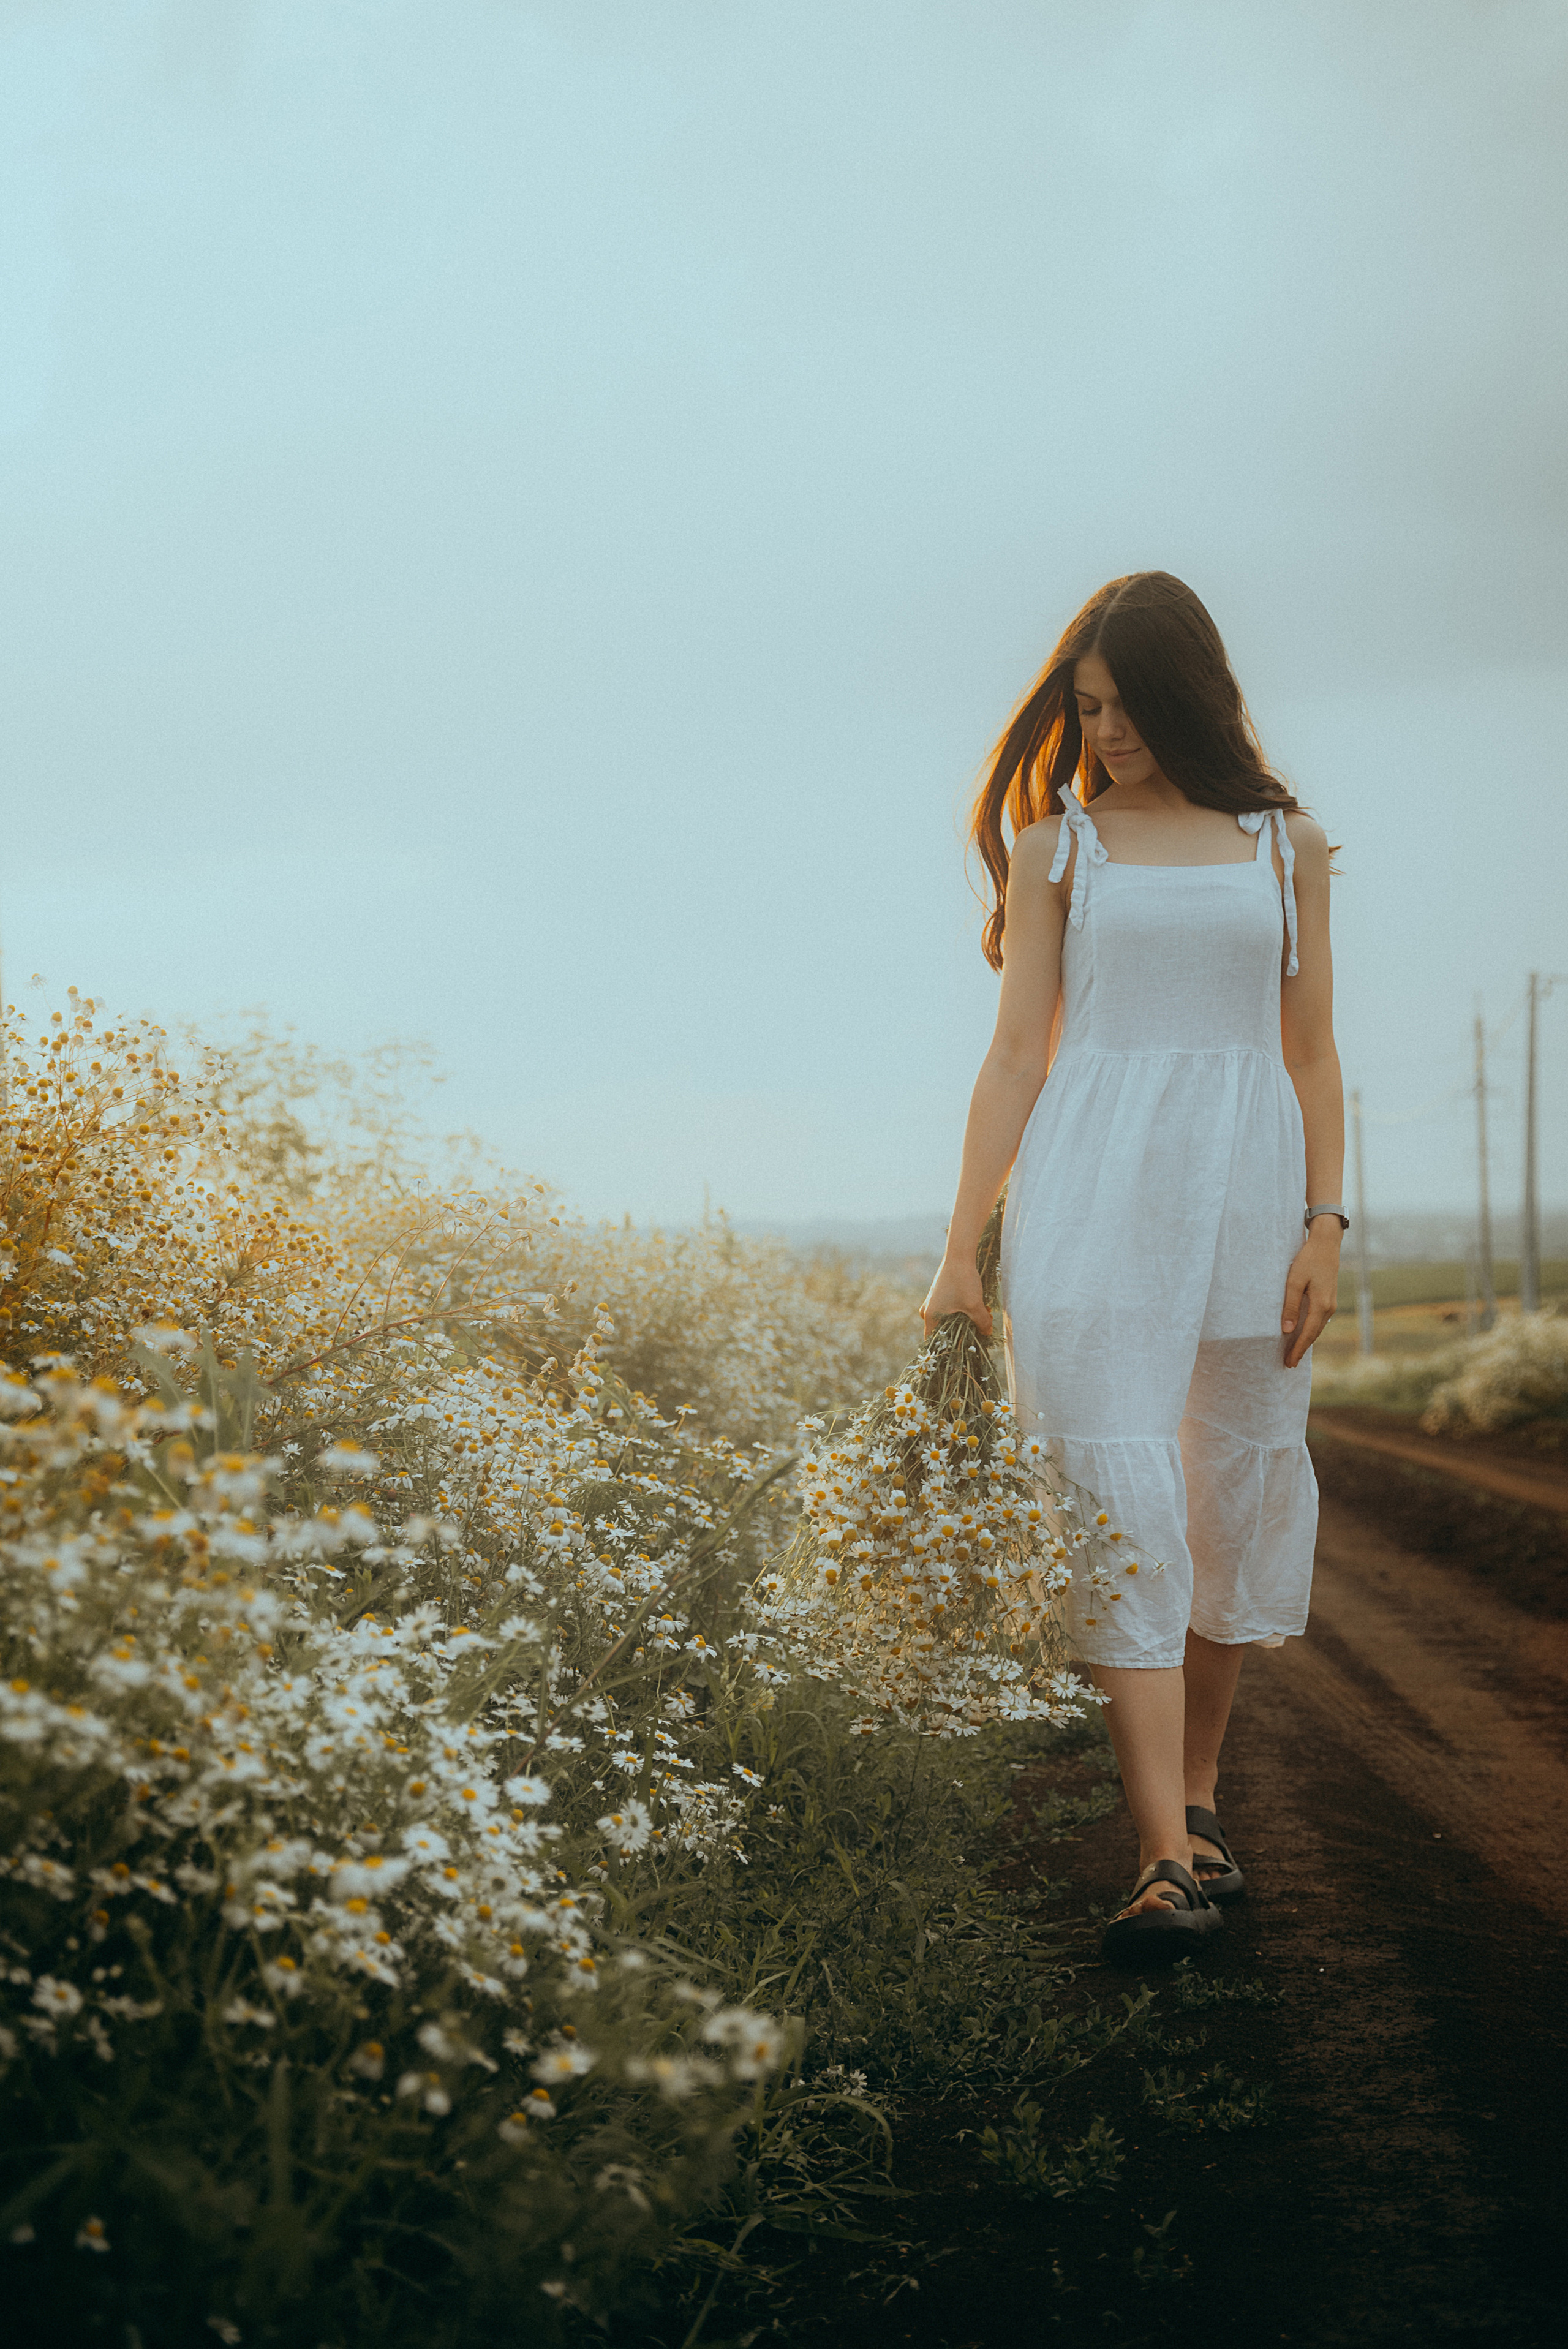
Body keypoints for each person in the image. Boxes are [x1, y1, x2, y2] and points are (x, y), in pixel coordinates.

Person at [921, 572, 1344, 1962]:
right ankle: (1160, 1851)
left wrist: (1324, 1223)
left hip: (1248, 1192)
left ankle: (1205, 1801)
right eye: (1081, 707)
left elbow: (1309, 1052)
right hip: (1093, 1193)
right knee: (1117, 1486)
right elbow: (1009, 1059)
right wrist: (957, 1254)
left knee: (1225, 1482)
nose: (1098, 731)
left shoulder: (1284, 845)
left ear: (1185, 694)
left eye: (1119, 705)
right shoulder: (1056, 852)